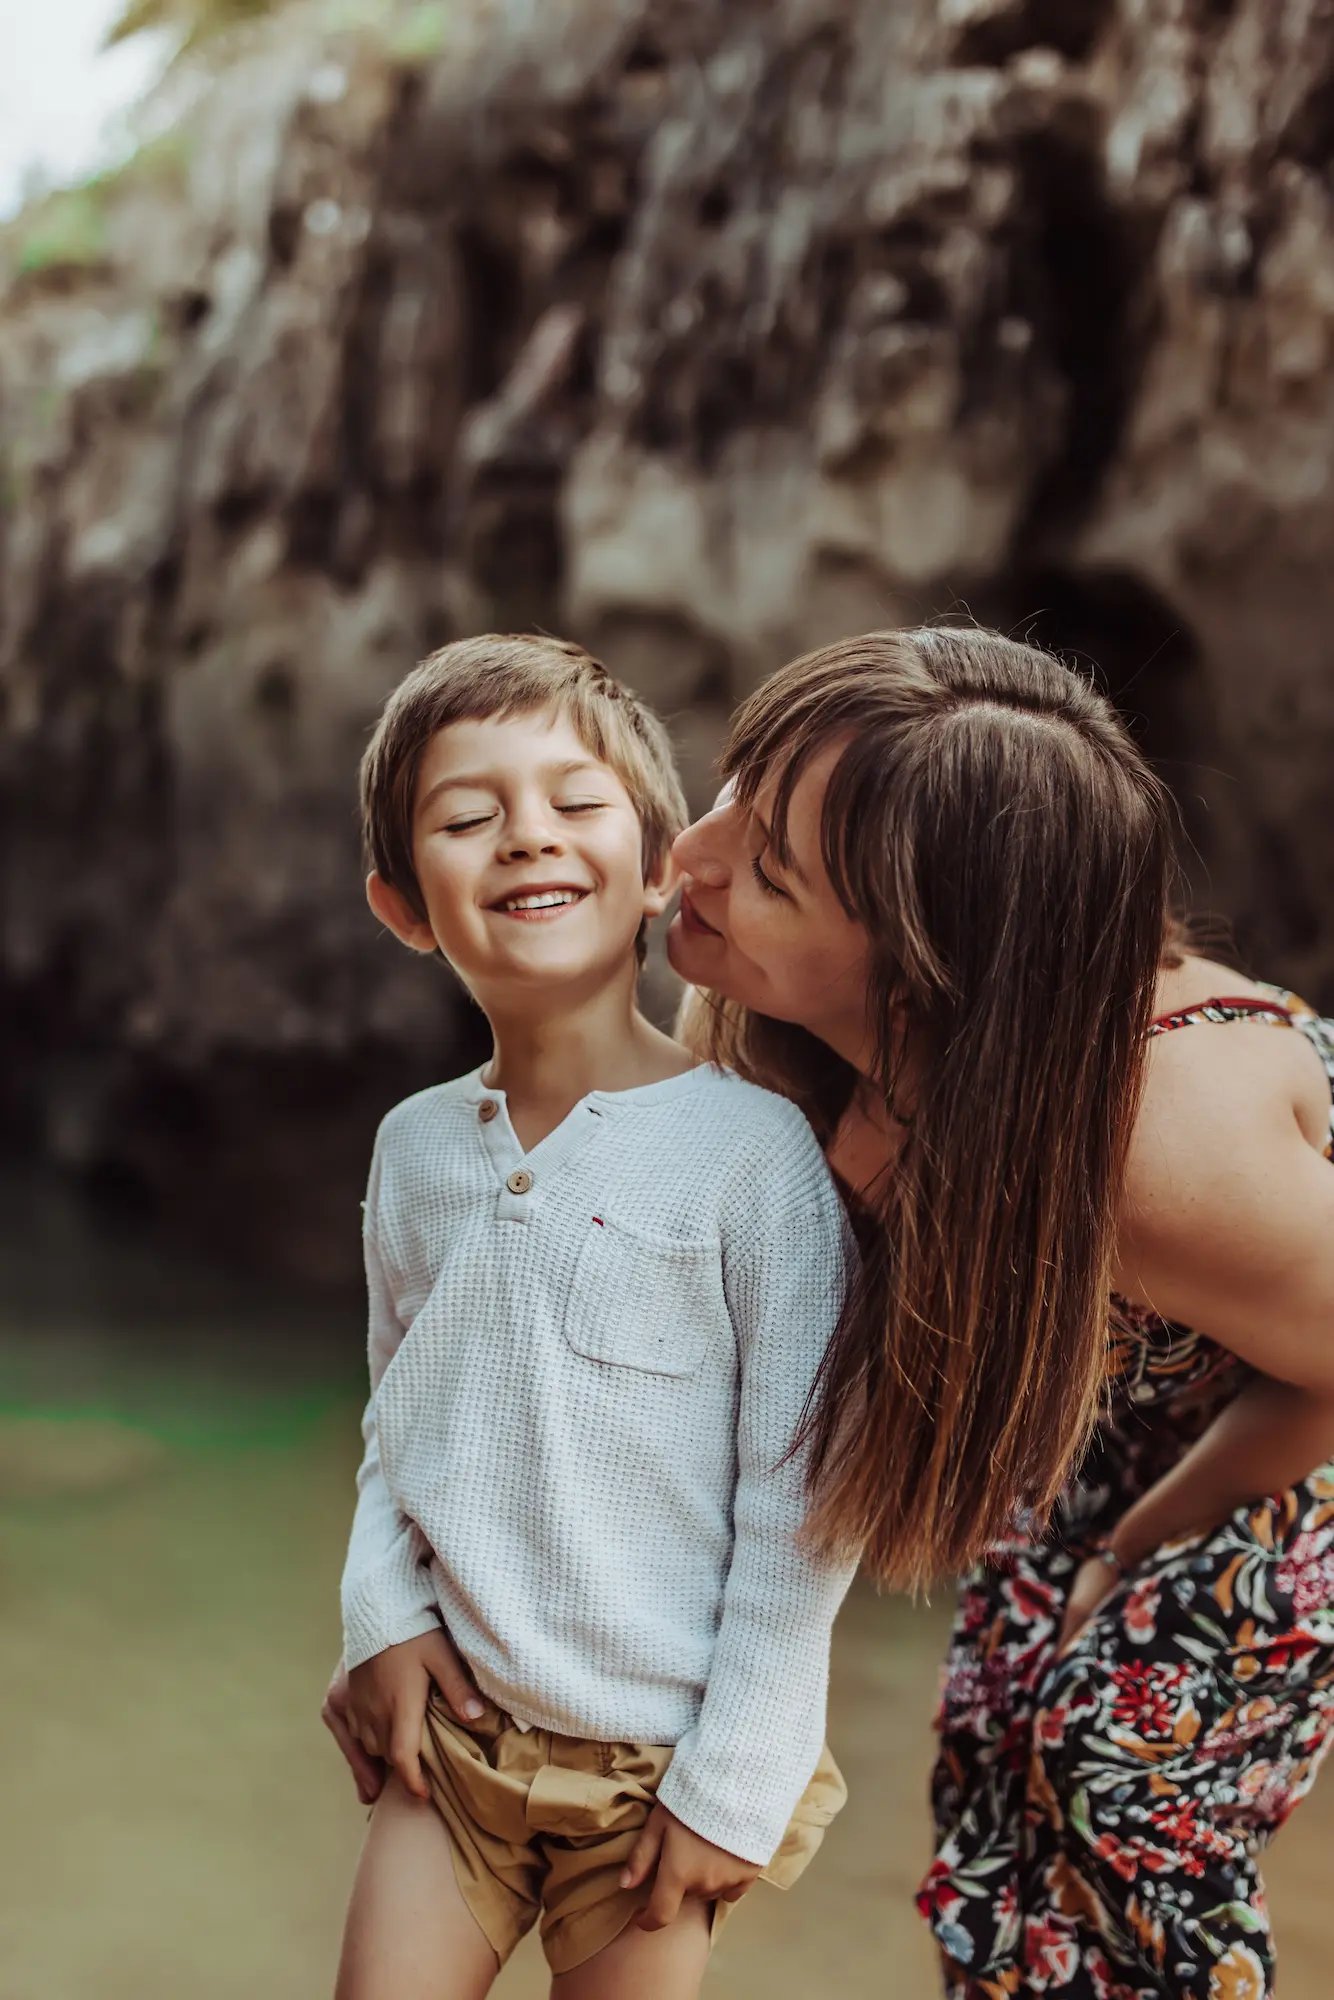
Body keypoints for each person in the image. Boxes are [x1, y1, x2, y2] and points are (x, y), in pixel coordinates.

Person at [662, 627, 1334, 2000]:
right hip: (1134, 1389)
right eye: (735, 783)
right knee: (994, 1768)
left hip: (1297, 1396)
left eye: (767, 867)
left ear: (918, 968)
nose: (691, 850)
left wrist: (1131, 1551)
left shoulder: (1153, 1156)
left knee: (1109, 1767)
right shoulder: (815, 1051)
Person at [327, 633, 856, 2000]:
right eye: (465, 816)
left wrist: (731, 1787)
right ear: (401, 904)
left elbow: (800, 1509)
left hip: (655, 1771)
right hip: (454, 1742)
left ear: (658, 861)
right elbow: (396, 1413)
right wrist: (379, 1613)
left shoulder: (754, 1158)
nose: (524, 839)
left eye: (573, 803)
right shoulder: (415, 1150)